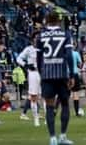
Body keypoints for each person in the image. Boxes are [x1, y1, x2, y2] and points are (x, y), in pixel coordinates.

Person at [36, 12, 75, 145]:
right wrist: (72, 74)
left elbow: (38, 58)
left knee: (49, 106)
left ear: (46, 21)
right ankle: (63, 136)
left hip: (47, 75)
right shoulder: (65, 34)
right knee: (64, 104)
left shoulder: (41, 36)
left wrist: (42, 74)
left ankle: (52, 137)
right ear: (59, 21)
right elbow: (69, 55)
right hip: (61, 74)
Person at [17, 31, 42, 127]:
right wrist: (26, 65)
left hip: (43, 73)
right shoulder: (28, 49)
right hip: (33, 73)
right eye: (35, 37)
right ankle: (36, 119)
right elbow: (19, 58)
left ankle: (47, 118)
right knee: (33, 97)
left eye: (39, 37)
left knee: (45, 96)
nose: (37, 39)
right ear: (32, 39)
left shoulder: (44, 49)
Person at [0, 38, 7, 125]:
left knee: (6, 97)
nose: (4, 47)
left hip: (0, 80)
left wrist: (3, 78)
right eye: (3, 46)